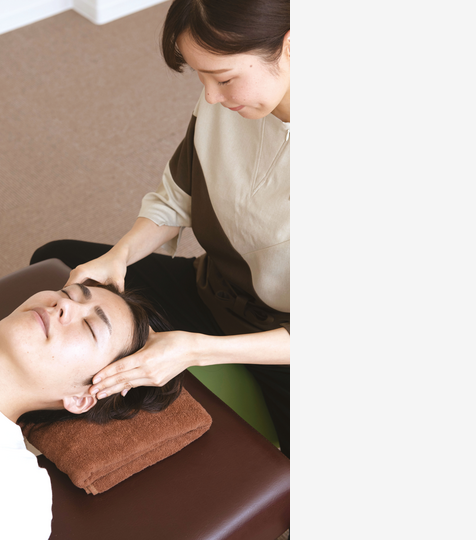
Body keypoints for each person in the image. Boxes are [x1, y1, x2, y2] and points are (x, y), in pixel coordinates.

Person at [30, 0, 291, 457]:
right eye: (200, 76)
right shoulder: (228, 104)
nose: (211, 96)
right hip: (212, 290)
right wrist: (120, 255)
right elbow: (177, 197)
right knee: (56, 262)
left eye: (224, 78)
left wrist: (195, 350)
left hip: (282, 344)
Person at [0, 280, 181, 539]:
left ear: (81, 398)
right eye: (67, 293)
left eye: (90, 327)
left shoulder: (12, 496)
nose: (64, 305)